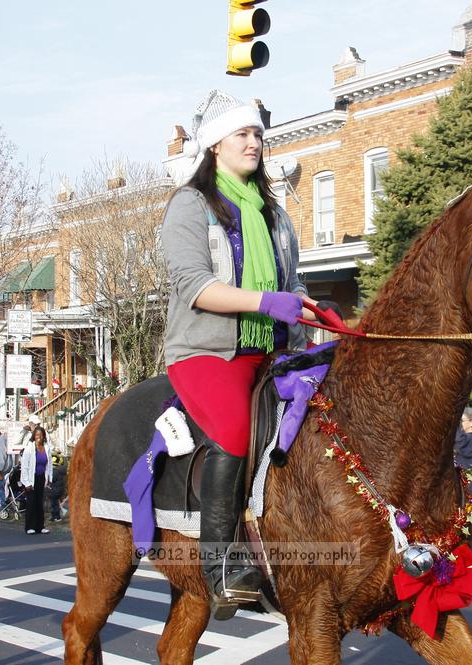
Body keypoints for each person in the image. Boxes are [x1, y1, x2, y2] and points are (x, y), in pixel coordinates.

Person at [160, 89, 322, 614]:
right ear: (214, 146)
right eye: (242, 134)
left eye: (257, 134)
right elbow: (195, 286)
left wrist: (303, 306)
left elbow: (287, 285)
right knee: (232, 428)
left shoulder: (273, 215)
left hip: (272, 349)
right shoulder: (190, 204)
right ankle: (220, 564)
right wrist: (266, 300)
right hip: (206, 351)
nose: (253, 143)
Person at [20, 425, 53, 535]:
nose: (39, 437)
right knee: (31, 503)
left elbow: (49, 465)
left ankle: (40, 526)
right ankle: (30, 526)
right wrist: (27, 482)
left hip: (41, 477)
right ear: (34, 436)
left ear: (44, 436)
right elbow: (24, 466)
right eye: (37, 435)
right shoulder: (29, 448)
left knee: (40, 503)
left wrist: (49, 478)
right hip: (31, 478)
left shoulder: (46, 447)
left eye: (41, 435)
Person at [47, 453, 68, 522]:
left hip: (54, 490)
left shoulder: (54, 471)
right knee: (55, 503)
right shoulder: (61, 470)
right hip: (59, 490)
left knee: (54, 504)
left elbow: (51, 480)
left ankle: (57, 517)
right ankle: (54, 516)